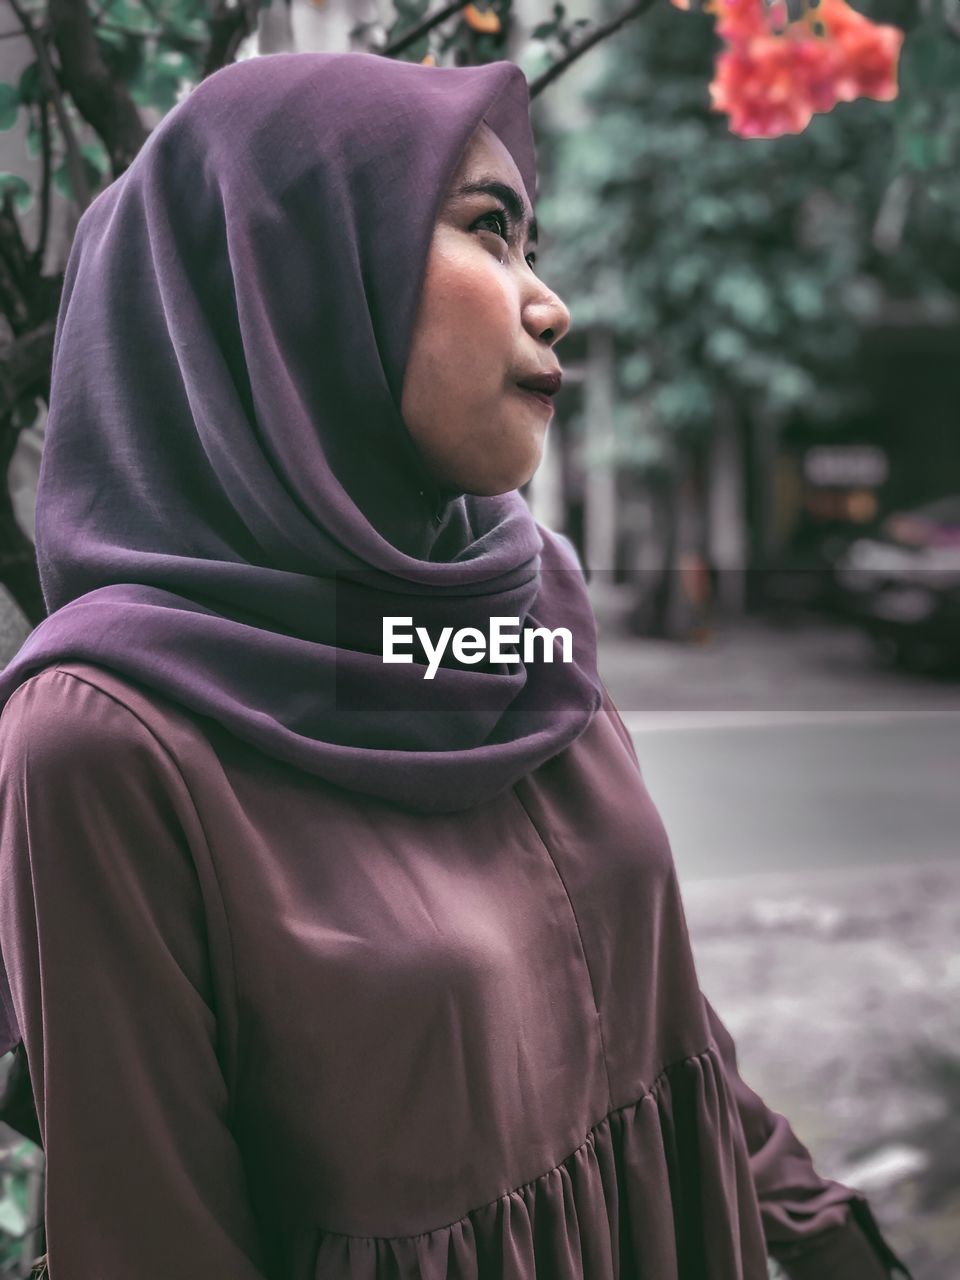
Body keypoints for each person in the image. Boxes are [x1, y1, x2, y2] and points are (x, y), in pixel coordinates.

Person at [0, 50, 911, 1280]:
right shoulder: (108, 741)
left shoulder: (516, 609)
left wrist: (844, 1250)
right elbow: (153, 1239)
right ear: (299, 279)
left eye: (531, 244)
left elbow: (676, 1048)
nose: (550, 303)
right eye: (490, 231)